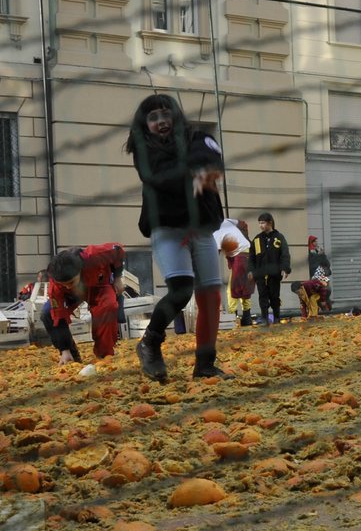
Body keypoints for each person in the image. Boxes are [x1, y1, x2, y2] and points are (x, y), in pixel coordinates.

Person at [127, 93, 230, 381]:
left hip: (201, 228)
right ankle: (150, 342)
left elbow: (211, 158)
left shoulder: (197, 137)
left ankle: (205, 364)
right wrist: (196, 174)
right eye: (153, 117)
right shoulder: (143, 149)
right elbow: (161, 178)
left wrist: (200, 171)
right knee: (182, 289)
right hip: (168, 228)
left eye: (165, 115)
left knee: (210, 296)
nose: (161, 122)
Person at [44, 244, 125, 366]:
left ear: (80, 270)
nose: (67, 285)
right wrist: (64, 349)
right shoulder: (56, 287)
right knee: (47, 312)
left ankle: (104, 355)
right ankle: (71, 357)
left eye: (70, 282)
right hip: (70, 295)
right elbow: (58, 316)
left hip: (99, 285)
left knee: (108, 307)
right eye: (63, 284)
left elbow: (118, 251)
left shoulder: (95, 255)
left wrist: (118, 277)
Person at [249, 211, 290, 326]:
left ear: (270, 223)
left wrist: (285, 268)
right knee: (262, 296)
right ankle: (264, 318)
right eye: (259, 223)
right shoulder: (256, 240)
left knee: (274, 297)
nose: (260, 225)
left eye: (263, 223)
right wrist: (251, 271)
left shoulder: (279, 237)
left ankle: (276, 317)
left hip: (274, 274)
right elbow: (251, 258)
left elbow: (285, 254)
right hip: (260, 275)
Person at [292, 235, 333, 318]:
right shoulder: (310, 253)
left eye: (316, 241)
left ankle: (325, 307)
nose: (316, 243)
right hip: (314, 277)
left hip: (322, 275)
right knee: (316, 295)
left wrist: (322, 255)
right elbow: (313, 263)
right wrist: (320, 256)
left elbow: (327, 264)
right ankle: (320, 310)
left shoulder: (319, 251)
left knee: (327, 290)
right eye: (314, 241)